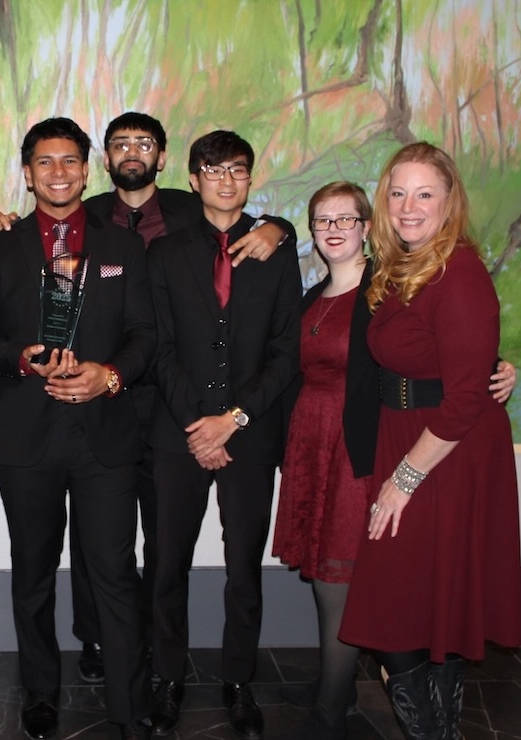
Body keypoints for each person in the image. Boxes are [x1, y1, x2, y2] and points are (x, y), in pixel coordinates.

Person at [0, 111, 293, 685]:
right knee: (100, 557)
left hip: (148, 407)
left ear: (165, 158)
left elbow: (242, 230)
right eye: (118, 144)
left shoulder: (181, 213)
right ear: (103, 160)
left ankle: (161, 668)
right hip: (121, 412)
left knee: (137, 554)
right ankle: (99, 646)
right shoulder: (88, 213)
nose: (131, 153)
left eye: (142, 143)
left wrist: (283, 227)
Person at [269, 182, 516, 740]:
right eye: (320, 221)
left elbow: (442, 349)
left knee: (345, 581)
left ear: (365, 227)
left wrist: (500, 367)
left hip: (362, 448)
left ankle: (333, 710)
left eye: (345, 219)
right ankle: (332, 689)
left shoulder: (384, 288)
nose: (333, 230)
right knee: (324, 576)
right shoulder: (311, 297)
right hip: (314, 446)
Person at [337, 143, 521, 740]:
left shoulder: (459, 271)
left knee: (399, 606)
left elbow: (467, 395)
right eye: (398, 192)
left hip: (446, 453)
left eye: (424, 194)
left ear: (449, 202)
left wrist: (403, 480)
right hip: (405, 434)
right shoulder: (398, 268)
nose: (408, 206)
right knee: (418, 604)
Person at [0, 117, 154, 740]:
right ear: (27, 174)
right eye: (45, 162)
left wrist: (109, 375)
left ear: (88, 169)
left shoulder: (124, 246)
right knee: (32, 573)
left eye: (70, 161)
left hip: (105, 435)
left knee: (113, 571)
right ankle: (41, 693)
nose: (59, 172)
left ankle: (129, 707)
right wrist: (18, 357)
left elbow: (144, 336)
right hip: (26, 436)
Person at [145, 130, 301, 740]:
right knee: (166, 567)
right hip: (177, 436)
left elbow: (285, 353)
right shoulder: (165, 253)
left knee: (244, 569)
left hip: (251, 436)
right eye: (213, 169)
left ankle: (239, 682)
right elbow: (158, 347)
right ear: (193, 178)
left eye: (237, 169)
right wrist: (199, 423)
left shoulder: (276, 249)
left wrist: (233, 420)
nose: (226, 180)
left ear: (250, 178)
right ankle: (167, 679)